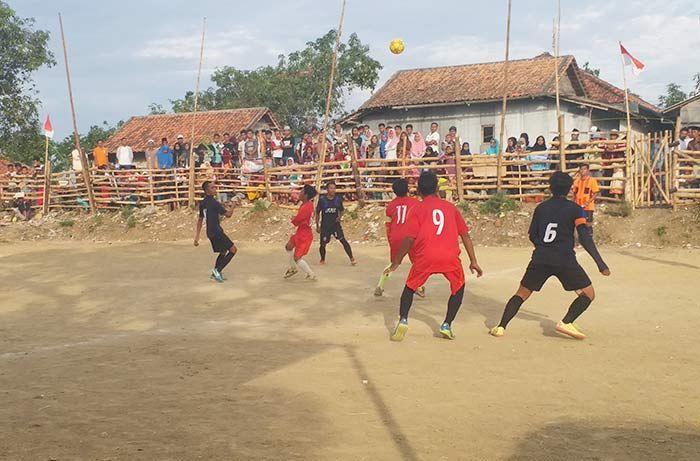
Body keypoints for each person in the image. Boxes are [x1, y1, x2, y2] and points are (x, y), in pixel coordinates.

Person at [489, 172, 610, 339]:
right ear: (570, 190)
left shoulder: (541, 208)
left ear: (550, 188)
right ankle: (566, 322)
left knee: (522, 293)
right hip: (564, 259)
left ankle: (501, 326)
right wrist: (600, 263)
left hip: (541, 258)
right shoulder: (575, 209)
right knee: (589, 294)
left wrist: (542, 248)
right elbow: (584, 236)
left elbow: (532, 234)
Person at [385, 170, 483, 341]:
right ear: (437, 188)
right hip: (450, 256)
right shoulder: (451, 208)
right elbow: (465, 235)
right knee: (458, 287)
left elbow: (409, 238)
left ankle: (403, 320)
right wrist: (473, 260)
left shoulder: (417, 209)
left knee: (409, 287)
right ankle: (447, 324)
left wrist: (397, 260)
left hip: (425, 257)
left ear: (419, 190)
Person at [375, 178, 423, 297]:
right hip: (412, 237)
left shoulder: (391, 205)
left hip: (396, 236)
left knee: (394, 263)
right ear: (407, 189)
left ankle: (380, 285)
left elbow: (389, 224)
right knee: (418, 263)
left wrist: (391, 240)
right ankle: (418, 286)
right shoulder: (415, 202)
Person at [194, 181, 237, 283]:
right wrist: (234, 205)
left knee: (223, 251)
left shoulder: (203, 203)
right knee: (233, 250)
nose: (215, 189)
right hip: (217, 231)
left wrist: (197, 236)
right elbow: (228, 215)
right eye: (212, 187)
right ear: (207, 190)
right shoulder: (213, 203)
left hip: (210, 232)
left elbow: (200, 219)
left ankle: (215, 273)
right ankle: (217, 270)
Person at [315, 181, 356, 265]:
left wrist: (339, 217)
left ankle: (352, 258)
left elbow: (341, 210)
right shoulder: (322, 200)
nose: (333, 190)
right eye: (331, 188)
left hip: (335, 225)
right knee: (323, 244)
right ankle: (322, 259)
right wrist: (317, 226)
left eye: (334, 188)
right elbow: (317, 212)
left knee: (343, 241)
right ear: (327, 190)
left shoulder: (338, 200)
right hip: (325, 226)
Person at [284, 184, 318, 281]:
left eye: (302, 192)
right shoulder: (307, 205)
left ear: (306, 195)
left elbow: (298, 220)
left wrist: (293, 220)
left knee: (297, 258)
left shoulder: (306, 207)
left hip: (304, 235)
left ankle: (310, 274)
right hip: (301, 232)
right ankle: (292, 268)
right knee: (288, 246)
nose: (300, 193)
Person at [572, 164, 599, 231]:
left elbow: (596, 193)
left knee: (588, 224)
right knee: (579, 224)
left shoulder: (592, 180)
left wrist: (589, 201)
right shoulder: (577, 181)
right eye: (581, 169)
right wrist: (573, 202)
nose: (582, 171)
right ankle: (581, 239)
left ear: (588, 170)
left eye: (584, 169)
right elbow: (574, 193)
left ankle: (589, 238)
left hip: (588, 206)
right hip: (578, 206)